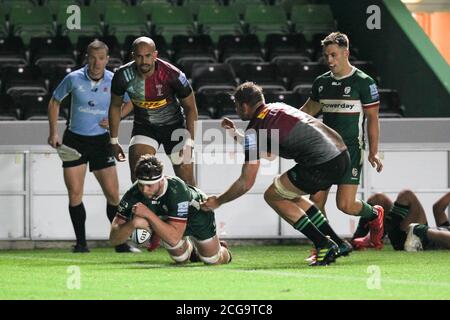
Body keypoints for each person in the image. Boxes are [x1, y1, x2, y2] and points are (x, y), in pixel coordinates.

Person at [201, 82, 385, 266]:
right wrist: (236, 134)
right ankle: (338, 243)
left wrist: (219, 200)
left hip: (322, 162)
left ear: (244, 106)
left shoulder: (255, 129)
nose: (236, 110)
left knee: (273, 195)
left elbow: (246, 182)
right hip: (341, 154)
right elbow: (269, 151)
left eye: (236, 106)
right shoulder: (277, 108)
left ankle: (323, 244)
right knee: (290, 194)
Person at [47, 40, 138, 253]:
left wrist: (117, 117)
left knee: (114, 196)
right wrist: (53, 132)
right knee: (75, 194)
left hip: (101, 142)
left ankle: (120, 243)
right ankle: (81, 244)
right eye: (92, 58)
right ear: (86, 58)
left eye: (101, 58)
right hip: (74, 142)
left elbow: (132, 101)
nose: (96, 63)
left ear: (107, 59)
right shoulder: (73, 78)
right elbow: (54, 101)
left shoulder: (115, 79)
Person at [300, 32, 384, 250]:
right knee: (315, 201)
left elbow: (373, 120)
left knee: (345, 205)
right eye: (326, 55)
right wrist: (284, 125)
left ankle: (375, 214)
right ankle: (326, 245)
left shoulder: (364, 83)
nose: (329, 60)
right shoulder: (321, 83)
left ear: (346, 53)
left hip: (351, 152)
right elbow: (308, 112)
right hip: (325, 152)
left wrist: (374, 152)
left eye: (334, 55)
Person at [109, 154, 232, 265]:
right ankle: (193, 250)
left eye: (149, 185)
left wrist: (147, 214)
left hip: (198, 216)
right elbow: (114, 239)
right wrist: (133, 223)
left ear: (161, 181)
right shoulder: (133, 193)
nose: (144, 190)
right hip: (172, 222)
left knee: (211, 260)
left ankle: (222, 250)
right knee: (181, 259)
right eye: (141, 184)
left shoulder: (176, 189)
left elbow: (173, 238)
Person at [108, 36, 198, 186]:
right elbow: (115, 106)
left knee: (187, 182)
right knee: (140, 178)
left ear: (155, 55)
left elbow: (191, 108)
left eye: (148, 56)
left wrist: (190, 142)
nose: (144, 61)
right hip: (145, 128)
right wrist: (114, 140)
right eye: (139, 56)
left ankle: (196, 208)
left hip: (175, 126)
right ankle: (149, 209)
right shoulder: (122, 76)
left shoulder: (173, 74)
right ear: (133, 56)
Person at [352, 190, 450, 251]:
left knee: (407, 195)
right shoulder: (446, 226)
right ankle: (357, 240)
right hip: (410, 233)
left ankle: (375, 236)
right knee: (378, 198)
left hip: (420, 241)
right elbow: (438, 208)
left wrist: (421, 230)